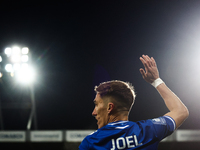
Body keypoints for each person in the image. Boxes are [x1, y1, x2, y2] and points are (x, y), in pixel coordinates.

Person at [79, 55, 189, 150]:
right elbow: (181, 111)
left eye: (97, 105)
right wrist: (156, 81)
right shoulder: (148, 131)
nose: (93, 112)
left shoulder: (91, 142)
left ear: (109, 108)